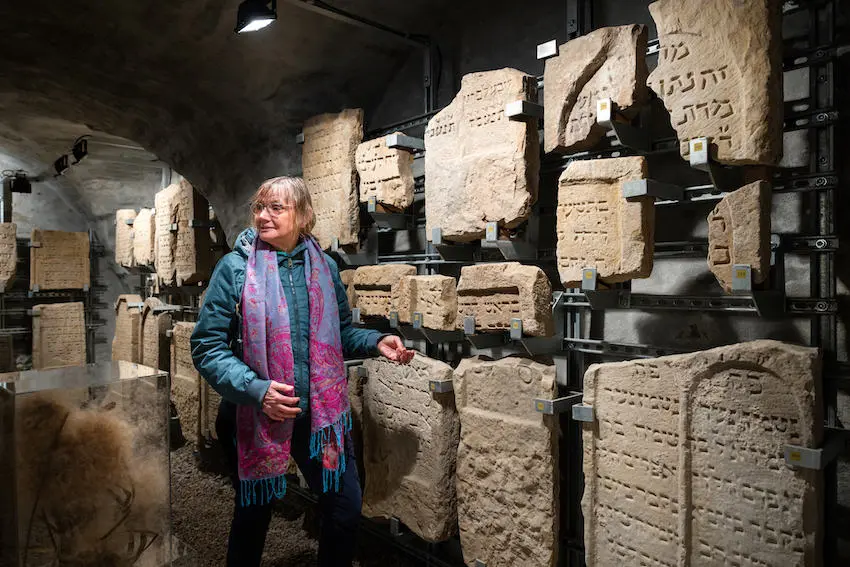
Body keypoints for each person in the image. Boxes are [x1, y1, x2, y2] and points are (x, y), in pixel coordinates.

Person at [190, 176, 414, 567]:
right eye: (259, 207)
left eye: (276, 208)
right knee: (254, 513)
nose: (263, 215)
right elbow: (207, 347)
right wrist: (257, 390)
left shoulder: (323, 267)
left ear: (303, 215)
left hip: (319, 419)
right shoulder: (236, 268)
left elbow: (339, 332)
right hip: (257, 415)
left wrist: (376, 341)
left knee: (344, 507)